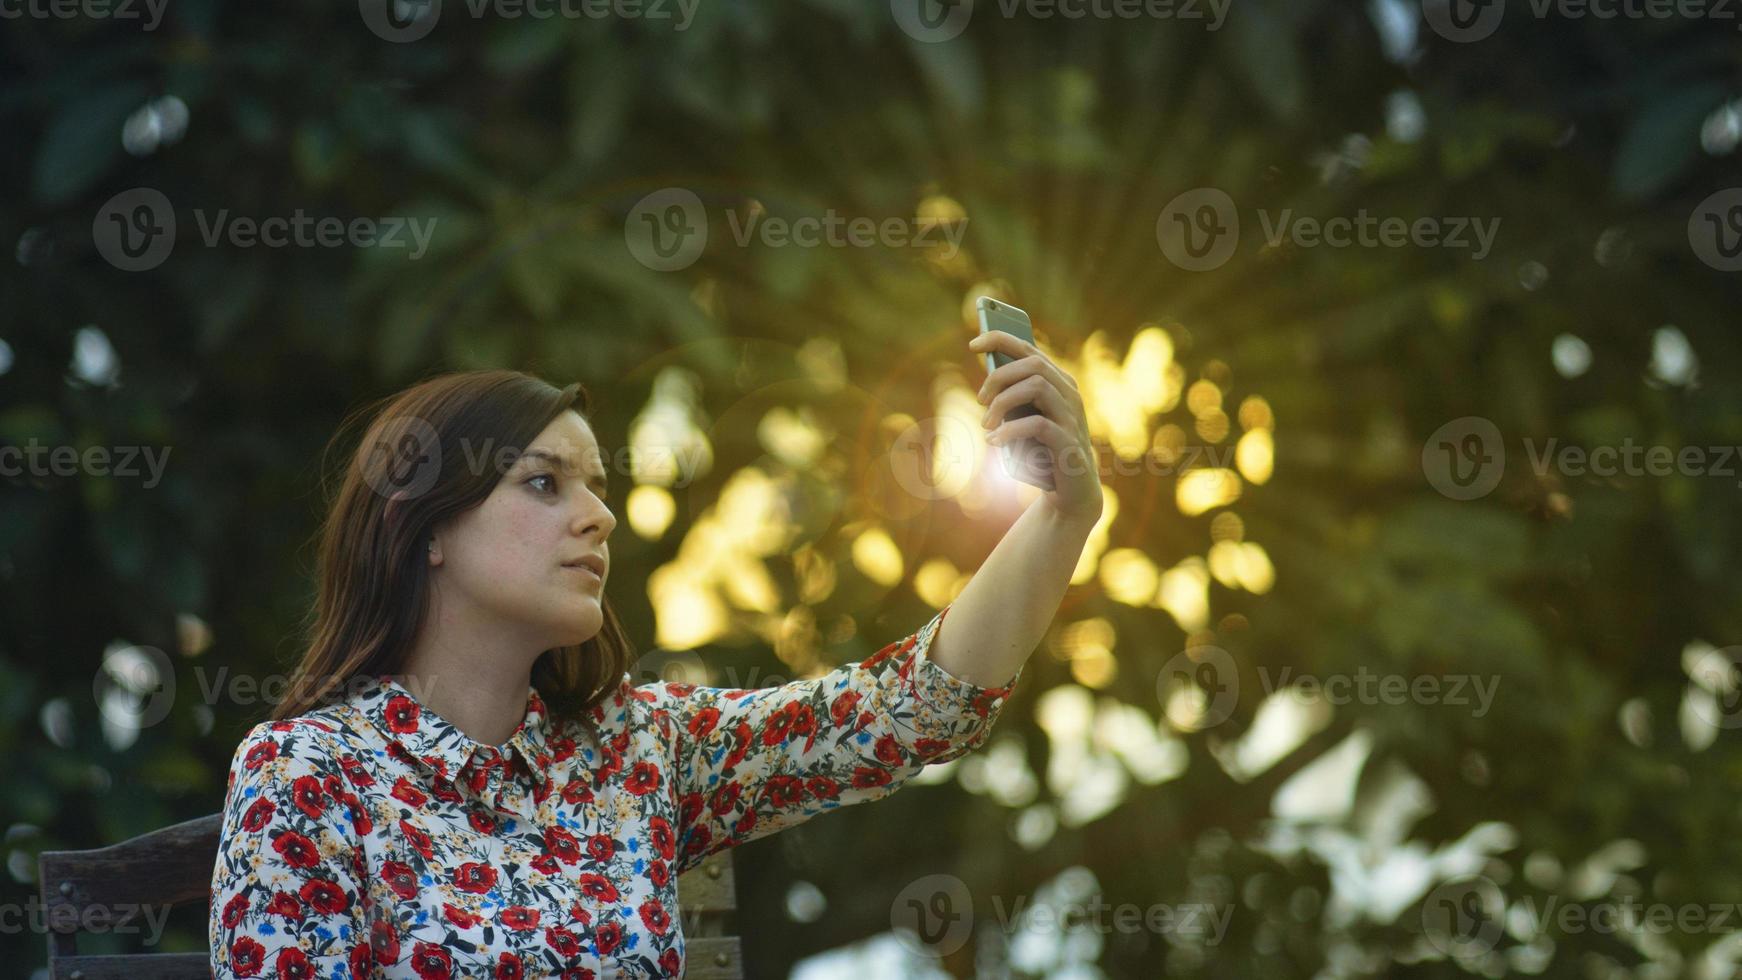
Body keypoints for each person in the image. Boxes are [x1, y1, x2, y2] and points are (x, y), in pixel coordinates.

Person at [209, 332, 1102, 978]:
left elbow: (906, 713)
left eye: (597, 486)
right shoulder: (307, 776)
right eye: (544, 483)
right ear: (427, 527)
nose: (597, 517)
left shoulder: (638, 752)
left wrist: (1063, 518)